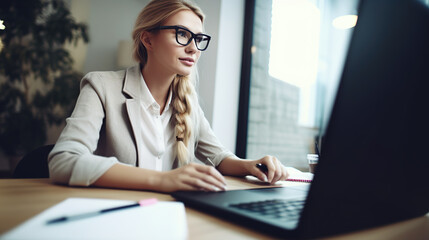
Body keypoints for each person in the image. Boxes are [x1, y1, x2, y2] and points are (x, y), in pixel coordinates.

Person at [48, 0, 289, 193]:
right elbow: (64, 161)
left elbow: (218, 157)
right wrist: (162, 180)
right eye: (182, 34)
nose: (194, 48)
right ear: (148, 39)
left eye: (198, 38)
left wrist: (251, 165)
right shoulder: (101, 86)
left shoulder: (187, 99)